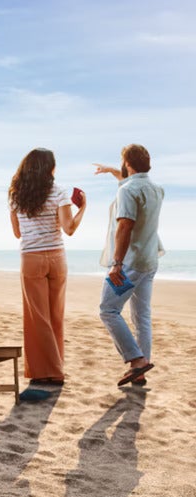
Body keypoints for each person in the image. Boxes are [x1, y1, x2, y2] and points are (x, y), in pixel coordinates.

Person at [8, 148, 86, 386]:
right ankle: (55, 368)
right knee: (55, 316)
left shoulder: (16, 195)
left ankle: (48, 373)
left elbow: (17, 232)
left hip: (31, 258)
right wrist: (82, 208)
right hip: (56, 258)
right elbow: (69, 229)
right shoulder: (59, 192)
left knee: (37, 319)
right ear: (50, 168)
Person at [93, 144, 164, 387]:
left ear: (128, 164)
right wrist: (113, 171)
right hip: (149, 261)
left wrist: (116, 264)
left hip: (130, 264)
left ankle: (137, 360)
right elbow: (129, 183)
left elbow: (125, 226)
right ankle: (140, 371)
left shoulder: (128, 191)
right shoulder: (156, 189)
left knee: (108, 310)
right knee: (141, 316)